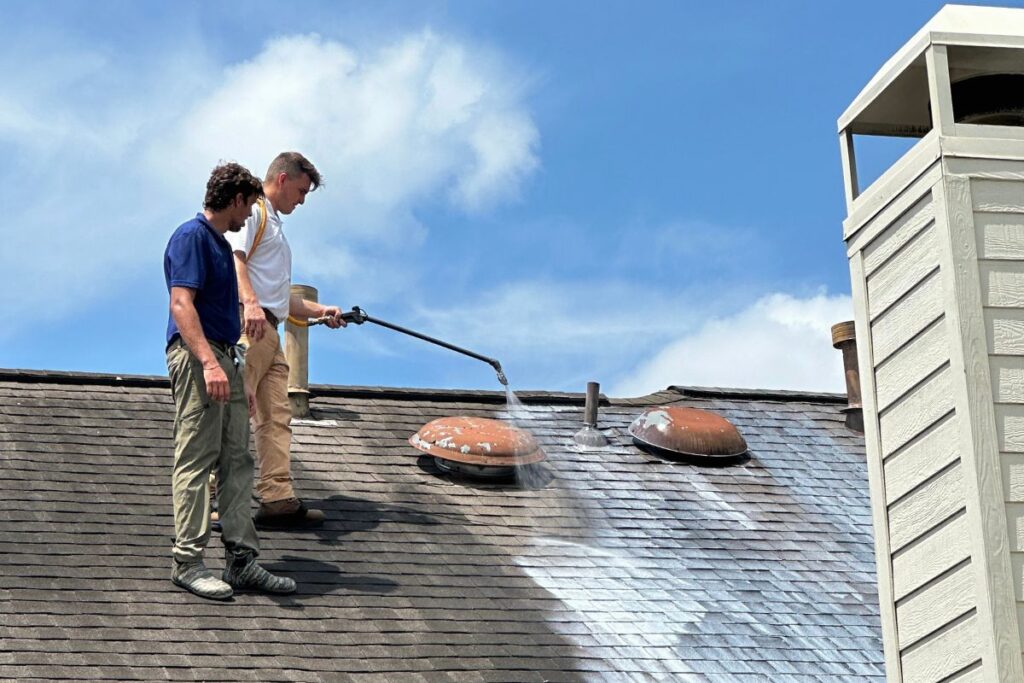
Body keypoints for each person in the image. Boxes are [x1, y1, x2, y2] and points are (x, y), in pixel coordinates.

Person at [164, 162, 296, 600]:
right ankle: (188, 561)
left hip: (228, 359)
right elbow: (182, 304)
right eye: (248, 206)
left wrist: (236, 375)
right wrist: (208, 362)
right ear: (237, 200)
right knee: (197, 458)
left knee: (238, 460)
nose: (249, 217)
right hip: (199, 357)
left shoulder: (221, 245)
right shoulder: (191, 236)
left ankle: (241, 560)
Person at [225, 151, 345, 528]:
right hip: (251, 327)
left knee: (277, 416)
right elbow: (234, 257)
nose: (302, 199)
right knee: (231, 413)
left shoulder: (273, 225)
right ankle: (213, 500)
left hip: (269, 331)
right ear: (281, 179)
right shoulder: (254, 212)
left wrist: (321, 310)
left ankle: (276, 498)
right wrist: (250, 305)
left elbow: (281, 299)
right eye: (301, 190)